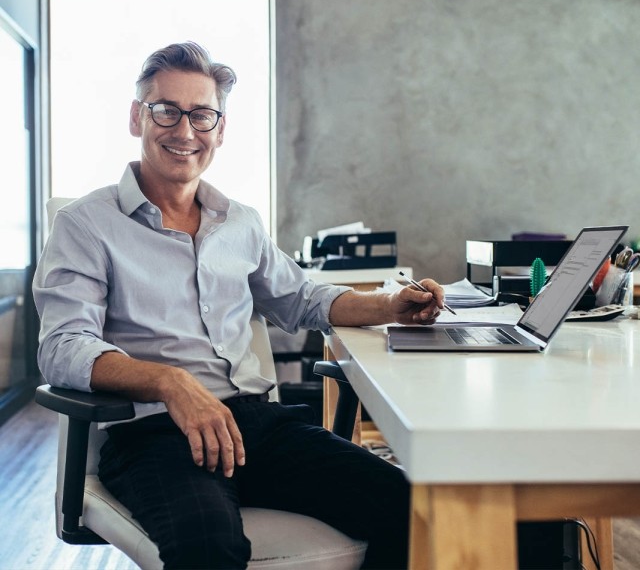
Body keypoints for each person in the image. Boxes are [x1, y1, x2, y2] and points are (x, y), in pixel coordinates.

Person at [33, 41, 446, 570]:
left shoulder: (240, 221)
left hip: (256, 425)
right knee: (208, 546)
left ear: (220, 129)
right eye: (166, 110)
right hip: (154, 435)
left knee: (414, 509)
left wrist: (392, 304)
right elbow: (64, 346)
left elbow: (302, 298)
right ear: (137, 117)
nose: (184, 131)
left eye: (201, 115)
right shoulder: (86, 225)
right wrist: (171, 382)